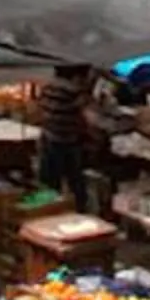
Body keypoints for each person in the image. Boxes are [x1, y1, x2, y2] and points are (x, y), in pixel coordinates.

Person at [34, 70, 93, 205]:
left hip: (48, 137)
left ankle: (48, 211)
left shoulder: (48, 88)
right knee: (76, 183)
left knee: (49, 184)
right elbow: (91, 116)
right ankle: (79, 211)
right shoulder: (74, 92)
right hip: (67, 141)